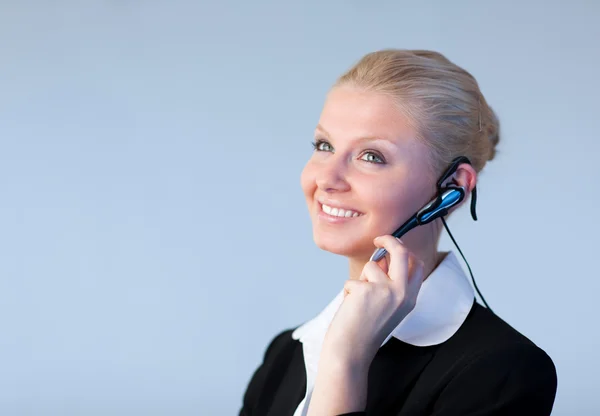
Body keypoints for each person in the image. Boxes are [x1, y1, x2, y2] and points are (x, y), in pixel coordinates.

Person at [238, 49, 557, 416]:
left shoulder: (504, 372)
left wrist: (346, 364)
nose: (326, 178)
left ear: (451, 187)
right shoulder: (284, 355)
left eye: (371, 156)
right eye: (324, 146)